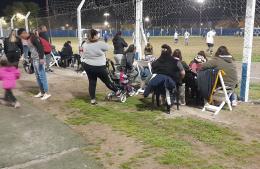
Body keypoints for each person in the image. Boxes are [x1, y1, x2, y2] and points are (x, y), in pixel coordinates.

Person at [81, 29, 120, 105]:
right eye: (97, 34)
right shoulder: (100, 43)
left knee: (92, 82)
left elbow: (83, 54)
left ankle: (92, 100)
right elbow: (109, 48)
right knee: (107, 81)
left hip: (88, 66)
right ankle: (118, 92)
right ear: (94, 35)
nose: (98, 35)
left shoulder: (84, 44)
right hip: (99, 67)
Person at [18, 28, 51, 101]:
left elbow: (40, 47)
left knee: (42, 76)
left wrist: (41, 58)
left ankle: (47, 93)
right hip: (35, 59)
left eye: (21, 36)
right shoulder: (28, 39)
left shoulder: (33, 37)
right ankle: (42, 92)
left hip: (39, 59)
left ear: (24, 33)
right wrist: (31, 59)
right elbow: (33, 50)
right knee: (38, 76)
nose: (21, 38)